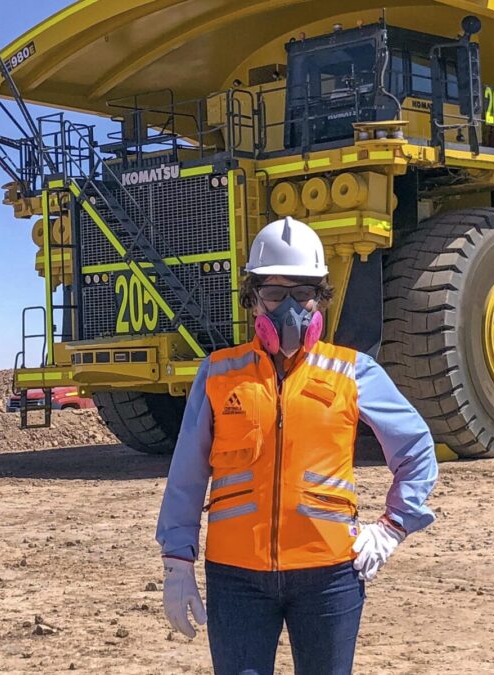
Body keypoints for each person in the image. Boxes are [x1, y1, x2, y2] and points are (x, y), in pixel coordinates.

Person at [155, 216, 438, 675]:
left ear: (320, 297)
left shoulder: (353, 371)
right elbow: (186, 475)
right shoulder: (218, 373)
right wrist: (176, 563)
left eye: (302, 292)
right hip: (236, 579)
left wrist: (391, 527)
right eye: (273, 292)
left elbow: (417, 450)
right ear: (253, 300)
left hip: (329, 578)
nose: (289, 307)